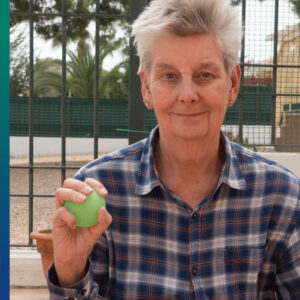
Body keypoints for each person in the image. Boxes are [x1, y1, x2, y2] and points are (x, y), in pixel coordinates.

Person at [47, 0, 300, 299]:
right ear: (146, 87)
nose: (188, 95)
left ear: (232, 84)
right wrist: (70, 270)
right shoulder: (102, 191)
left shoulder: (280, 197)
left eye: (205, 74)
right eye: (169, 76)